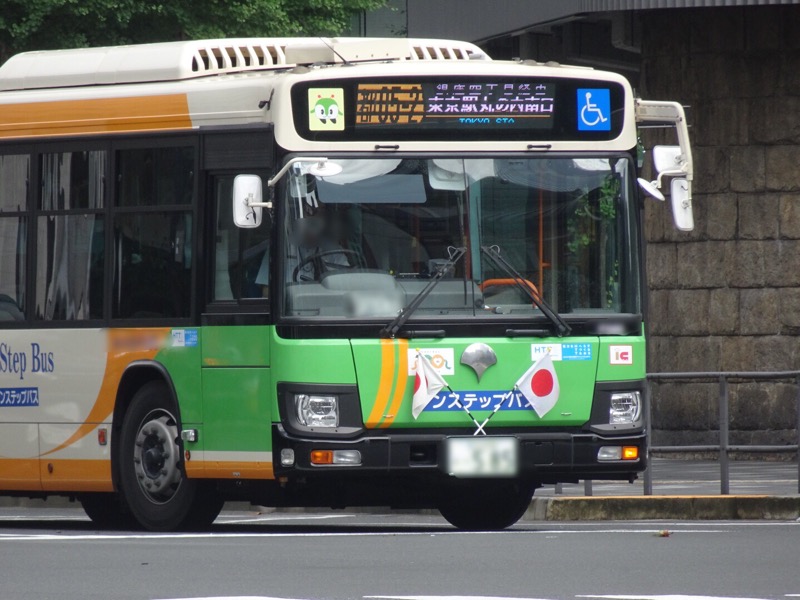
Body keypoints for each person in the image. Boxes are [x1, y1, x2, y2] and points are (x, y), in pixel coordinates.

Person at [254, 173, 354, 296]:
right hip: (291, 310)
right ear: (299, 214)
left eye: (319, 212)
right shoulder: (281, 246)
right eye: (309, 212)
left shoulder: (333, 249)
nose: (314, 218)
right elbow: (266, 291)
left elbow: (349, 286)